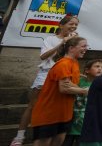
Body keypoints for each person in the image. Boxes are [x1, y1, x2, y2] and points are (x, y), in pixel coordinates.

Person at [10, 14, 80, 146]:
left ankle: (47, 135)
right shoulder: (50, 39)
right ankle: (19, 136)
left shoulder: (73, 42)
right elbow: (43, 56)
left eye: (76, 25)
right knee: (32, 106)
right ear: (61, 25)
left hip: (62, 75)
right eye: (71, 23)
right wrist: (63, 42)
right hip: (45, 74)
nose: (74, 26)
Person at [30, 36, 89, 146]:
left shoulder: (74, 63)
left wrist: (82, 89)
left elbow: (70, 84)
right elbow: (64, 88)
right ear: (71, 48)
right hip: (49, 115)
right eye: (83, 46)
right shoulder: (64, 63)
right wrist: (84, 91)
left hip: (64, 115)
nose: (86, 49)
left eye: (87, 46)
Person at [63, 59, 102, 146]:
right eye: (97, 66)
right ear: (87, 70)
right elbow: (66, 86)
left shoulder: (101, 84)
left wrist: (74, 87)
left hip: (87, 123)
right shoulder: (79, 81)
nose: (100, 69)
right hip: (72, 120)